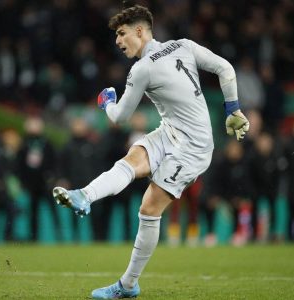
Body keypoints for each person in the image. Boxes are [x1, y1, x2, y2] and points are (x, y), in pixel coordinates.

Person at [52, 3, 249, 299]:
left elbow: (119, 118)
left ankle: (128, 285)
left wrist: (106, 101)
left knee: (148, 208)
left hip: (193, 147)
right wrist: (232, 108)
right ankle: (85, 196)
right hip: (171, 132)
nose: (118, 41)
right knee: (131, 159)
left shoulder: (141, 68)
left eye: (122, 34)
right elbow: (225, 68)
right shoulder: (183, 45)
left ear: (140, 31)